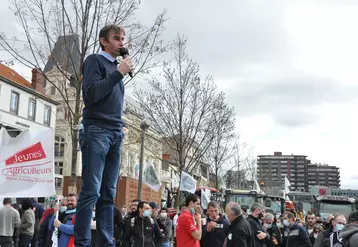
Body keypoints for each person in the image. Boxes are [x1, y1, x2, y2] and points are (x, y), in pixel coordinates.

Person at [74, 23, 133, 247]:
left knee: (109, 193)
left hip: (115, 133)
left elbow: (110, 104)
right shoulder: (94, 62)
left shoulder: (116, 68)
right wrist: (119, 73)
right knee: (91, 192)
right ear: (103, 41)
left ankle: (106, 243)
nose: (121, 43)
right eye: (117, 38)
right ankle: (83, 243)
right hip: (96, 132)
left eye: (123, 39)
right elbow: (91, 95)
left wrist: (122, 124)